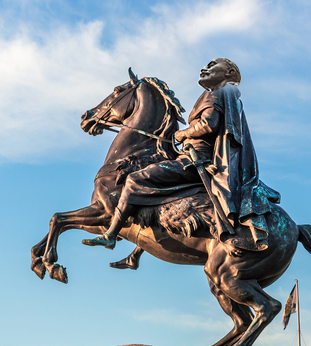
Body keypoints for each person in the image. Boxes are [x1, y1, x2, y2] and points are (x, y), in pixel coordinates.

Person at [83, 58, 279, 251]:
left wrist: (182, 133)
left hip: (196, 160)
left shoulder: (217, 92)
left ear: (228, 73)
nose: (205, 67)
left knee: (135, 179)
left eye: (212, 65)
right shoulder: (223, 95)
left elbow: (209, 125)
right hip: (196, 156)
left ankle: (111, 234)